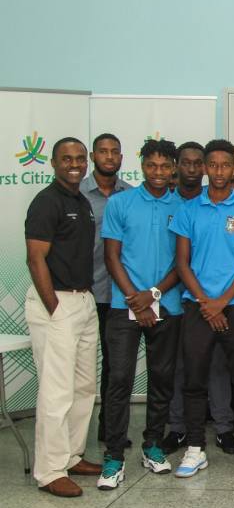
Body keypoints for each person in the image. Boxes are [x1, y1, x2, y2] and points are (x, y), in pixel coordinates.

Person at [170, 139, 234, 478]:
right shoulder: (188, 210)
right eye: (212, 165)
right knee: (194, 379)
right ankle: (195, 448)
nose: (218, 171)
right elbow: (182, 263)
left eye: (225, 165)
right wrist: (206, 302)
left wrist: (222, 302)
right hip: (197, 306)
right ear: (204, 168)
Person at [96, 139, 182, 490]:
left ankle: (153, 445)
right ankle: (114, 456)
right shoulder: (120, 202)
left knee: (162, 379)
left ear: (173, 168)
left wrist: (154, 295)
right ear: (142, 166)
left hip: (167, 305)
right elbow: (111, 256)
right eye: (151, 165)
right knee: (119, 380)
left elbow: (184, 262)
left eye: (164, 166)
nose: (158, 172)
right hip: (124, 305)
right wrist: (136, 299)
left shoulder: (183, 206)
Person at [24, 137, 102, 497]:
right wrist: (53, 307)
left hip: (83, 300)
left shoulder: (81, 201)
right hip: (56, 302)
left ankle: (71, 456)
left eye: (80, 158)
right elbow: (35, 258)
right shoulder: (47, 201)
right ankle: (50, 470)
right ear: (54, 163)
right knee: (56, 391)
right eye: (67, 159)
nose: (75, 164)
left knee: (83, 387)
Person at [161, 142, 234, 456]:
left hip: (213, 302)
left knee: (218, 365)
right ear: (178, 166)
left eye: (197, 163)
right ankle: (178, 428)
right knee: (182, 368)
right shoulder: (170, 202)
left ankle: (223, 427)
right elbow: (180, 261)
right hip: (176, 301)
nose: (193, 168)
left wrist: (210, 303)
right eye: (187, 163)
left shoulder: (226, 203)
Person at [82, 133, 130, 445]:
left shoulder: (132, 195)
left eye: (114, 152)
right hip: (87, 290)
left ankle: (109, 429)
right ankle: (73, 435)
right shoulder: (77, 194)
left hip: (121, 294)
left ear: (121, 158)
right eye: (103, 151)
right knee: (82, 365)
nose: (109, 157)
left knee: (116, 367)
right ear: (93, 156)